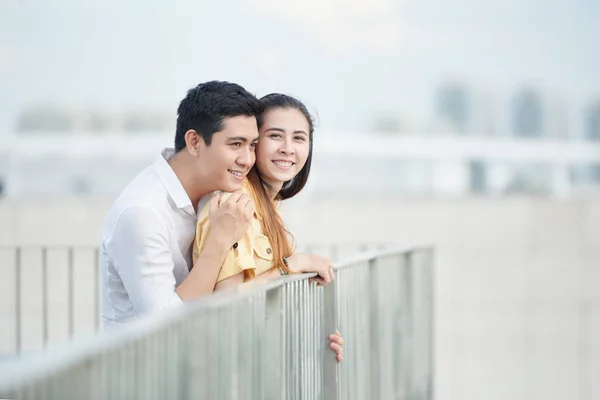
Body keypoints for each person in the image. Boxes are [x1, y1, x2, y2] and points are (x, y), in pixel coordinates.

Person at [193, 93, 344, 362]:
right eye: (275, 136)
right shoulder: (237, 204)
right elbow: (227, 304)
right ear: (254, 144)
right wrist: (294, 264)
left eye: (299, 138)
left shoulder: (267, 206)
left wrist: (315, 339)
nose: (288, 148)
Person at [101, 81, 262, 328]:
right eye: (235, 144)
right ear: (195, 142)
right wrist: (219, 241)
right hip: (142, 364)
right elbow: (164, 325)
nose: (248, 159)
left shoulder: (218, 194)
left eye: (252, 145)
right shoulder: (142, 212)